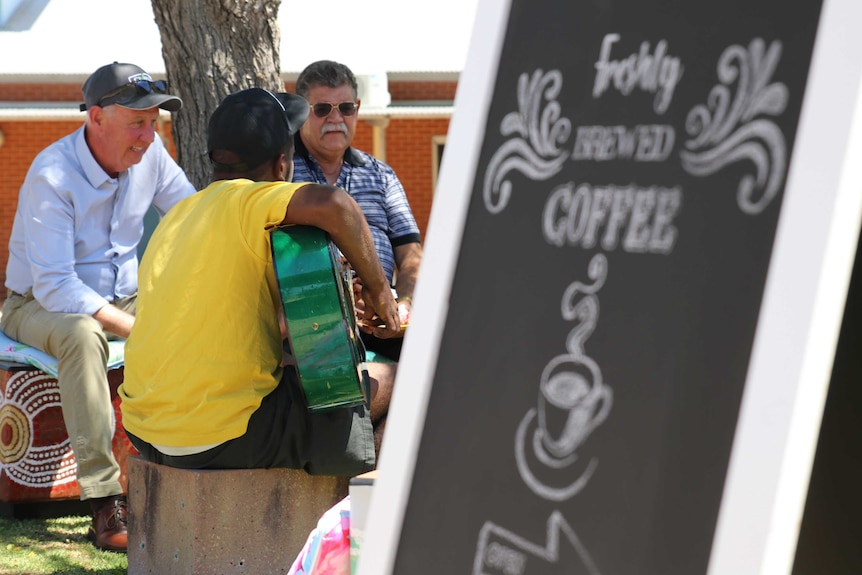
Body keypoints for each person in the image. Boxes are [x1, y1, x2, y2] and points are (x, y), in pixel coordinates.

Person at [118, 88, 399, 480]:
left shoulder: (177, 217)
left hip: (146, 431)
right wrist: (379, 290)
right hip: (224, 435)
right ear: (282, 164)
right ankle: (365, 520)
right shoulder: (254, 200)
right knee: (394, 381)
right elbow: (335, 205)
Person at [0, 62, 195, 551]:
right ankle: (106, 501)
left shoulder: (150, 155)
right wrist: (137, 327)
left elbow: (191, 218)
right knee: (83, 336)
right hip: (35, 304)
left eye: (154, 122)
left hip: (124, 296)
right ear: (96, 117)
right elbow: (57, 286)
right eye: (138, 122)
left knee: (198, 317)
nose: (149, 136)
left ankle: (190, 465)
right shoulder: (52, 173)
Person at [292, 60, 424, 457]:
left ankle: (382, 481)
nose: (336, 119)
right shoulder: (281, 169)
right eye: (322, 109)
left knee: (443, 359)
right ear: (301, 113)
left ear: (357, 110)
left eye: (345, 108)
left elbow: (411, 255)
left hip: (380, 318)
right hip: (308, 321)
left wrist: (405, 308)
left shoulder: (381, 174)